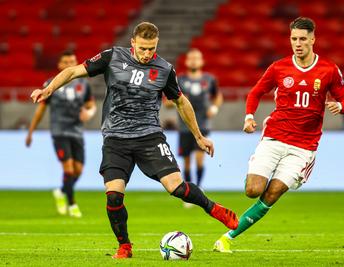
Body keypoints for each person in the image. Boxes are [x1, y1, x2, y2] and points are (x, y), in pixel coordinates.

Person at [30, 22, 238, 259]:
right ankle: (125, 246)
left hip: (149, 136)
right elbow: (72, 71)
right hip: (115, 138)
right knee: (114, 194)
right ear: (133, 43)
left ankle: (215, 209)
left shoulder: (164, 69)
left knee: (176, 187)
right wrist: (49, 89)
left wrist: (199, 136)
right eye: (142, 48)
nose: (147, 54)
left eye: (151, 49)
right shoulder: (112, 57)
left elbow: (181, 101)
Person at [213, 17, 344, 253]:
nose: (297, 44)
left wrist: (341, 107)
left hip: (303, 147)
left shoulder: (328, 70)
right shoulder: (279, 67)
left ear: (312, 39)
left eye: (302, 39)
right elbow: (256, 92)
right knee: (253, 190)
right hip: (275, 137)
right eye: (294, 39)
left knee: (273, 193)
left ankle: (227, 238)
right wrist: (248, 116)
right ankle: (255, 171)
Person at [26, 51, 96, 218]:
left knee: (78, 170)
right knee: (69, 169)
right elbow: (40, 110)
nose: (70, 64)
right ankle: (72, 204)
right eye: (66, 62)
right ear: (60, 65)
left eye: (73, 61)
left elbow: (91, 105)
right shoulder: (51, 84)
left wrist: (90, 112)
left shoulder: (83, 85)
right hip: (59, 131)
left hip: (77, 132)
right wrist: (30, 132)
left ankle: (61, 191)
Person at [177, 48, 223, 190]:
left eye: (196, 58)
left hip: (203, 124)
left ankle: (199, 186)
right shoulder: (180, 80)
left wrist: (214, 108)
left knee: (199, 158)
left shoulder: (209, 79)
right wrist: (177, 101)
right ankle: (189, 190)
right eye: (191, 58)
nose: (194, 61)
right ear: (186, 61)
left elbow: (218, 96)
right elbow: (167, 101)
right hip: (184, 125)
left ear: (202, 61)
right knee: (186, 161)